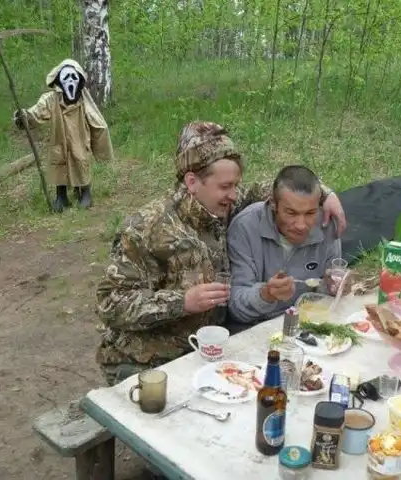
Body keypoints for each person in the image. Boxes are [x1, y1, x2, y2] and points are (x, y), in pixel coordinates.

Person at [94, 122, 347, 385]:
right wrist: (182, 302)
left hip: (210, 350)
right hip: (148, 362)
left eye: (236, 185)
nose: (234, 195)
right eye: (226, 186)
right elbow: (109, 303)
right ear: (192, 182)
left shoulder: (221, 205)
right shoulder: (146, 229)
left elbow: (277, 190)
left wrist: (326, 194)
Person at [226, 165, 354, 329]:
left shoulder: (327, 224)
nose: (301, 225)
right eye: (291, 213)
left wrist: (335, 287)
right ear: (273, 204)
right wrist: (266, 294)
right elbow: (236, 307)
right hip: (257, 325)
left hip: (308, 320)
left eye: (310, 213)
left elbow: (329, 290)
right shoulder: (245, 227)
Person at [13, 58, 114, 211]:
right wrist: (24, 116)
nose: (70, 81)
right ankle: (61, 196)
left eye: (74, 77)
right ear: (59, 80)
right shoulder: (51, 99)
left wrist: (101, 145)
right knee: (59, 162)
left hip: (79, 137)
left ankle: (85, 192)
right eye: (66, 77)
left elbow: (96, 120)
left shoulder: (83, 98)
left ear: (79, 79)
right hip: (60, 138)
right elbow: (37, 112)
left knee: (80, 159)